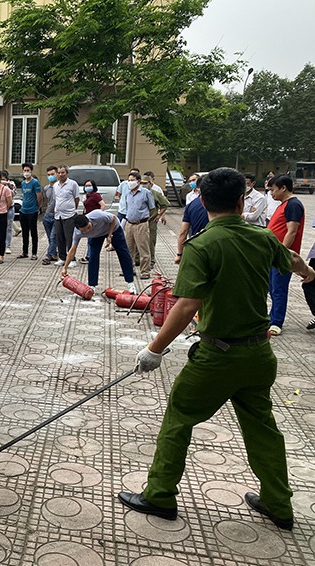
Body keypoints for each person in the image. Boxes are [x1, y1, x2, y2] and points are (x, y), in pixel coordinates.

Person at [121, 167, 315, 532]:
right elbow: (291, 259)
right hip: (259, 355)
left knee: (179, 418)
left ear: (203, 201)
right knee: (263, 429)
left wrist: (154, 349)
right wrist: (309, 272)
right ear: (242, 201)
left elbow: (186, 305)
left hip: (217, 357)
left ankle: (160, 495)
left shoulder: (202, 245)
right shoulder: (261, 237)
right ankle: (278, 503)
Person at [60, 211, 137, 294]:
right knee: (93, 256)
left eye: (88, 227)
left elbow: (113, 218)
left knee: (123, 253)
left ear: (89, 221)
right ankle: (92, 285)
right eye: (84, 231)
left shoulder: (97, 216)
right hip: (96, 236)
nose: (87, 231)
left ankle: (130, 283)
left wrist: (109, 235)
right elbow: (72, 250)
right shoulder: (77, 233)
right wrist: (65, 267)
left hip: (114, 229)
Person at [267, 174, 305, 336]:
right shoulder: (282, 205)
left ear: (283, 188)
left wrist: (281, 252)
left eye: (273, 189)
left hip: (282, 256)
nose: (271, 193)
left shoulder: (293, 205)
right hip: (272, 254)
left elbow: (292, 231)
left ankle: (276, 322)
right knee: (271, 287)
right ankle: (271, 317)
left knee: (278, 289)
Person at [121, 172, 155, 280]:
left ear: (139, 181)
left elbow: (152, 208)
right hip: (129, 223)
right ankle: (129, 269)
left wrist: (147, 220)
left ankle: (145, 271)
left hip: (141, 224)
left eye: (132, 180)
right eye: (129, 180)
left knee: (143, 248)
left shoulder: (146, 193)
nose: (130, 182)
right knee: (128, 248)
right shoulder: (128, 194)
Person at [54, 165, 80, 267]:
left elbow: (76, 198)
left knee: (70, 238)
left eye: (63, 172)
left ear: (67, 173)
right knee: (59, 237)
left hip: (69, 215)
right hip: (58, 215)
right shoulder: (56, 185)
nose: (61, 175)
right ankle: (62, 257)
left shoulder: (72, 184)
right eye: (59, 173)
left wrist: (73, 209)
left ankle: (72, 259)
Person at [144, 171, 169, 269]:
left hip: (151, 220)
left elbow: (165, 204)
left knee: (151, 240)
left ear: (150, 183)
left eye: (145, 183)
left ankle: (151, 260)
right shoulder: (138, 193)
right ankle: (137, 259)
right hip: (139, 221)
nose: (143, 185)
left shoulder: (155, 193)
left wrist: (159, 215)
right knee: (138, 241)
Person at [17, 163, 42, 260]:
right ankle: (25, 252)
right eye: (24, 171)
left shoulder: (35, 182)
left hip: (32, 211)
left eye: (28, 171)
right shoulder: (23, 183)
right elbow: (24, 195)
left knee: (33, 232)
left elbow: (39, 196)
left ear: (31, 171)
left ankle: (34, 253)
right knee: (25, 232)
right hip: (23, 210)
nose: (26, 173)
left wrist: (37, 207)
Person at [78, 179, 106, 264]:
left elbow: (103, 205)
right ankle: (89, 255)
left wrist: (99, 215)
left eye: (89, 185)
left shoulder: (95, 195)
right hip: (87, 218)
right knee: (89, 239)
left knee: (91, 239)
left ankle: (90, 256)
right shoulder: (87, 195)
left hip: (94, 220)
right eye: (86, 186)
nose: (88, 187)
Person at [175, 196, 209, 264]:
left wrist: (179, 254)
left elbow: (183, 232)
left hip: (196, 248)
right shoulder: (219, 203)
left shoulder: (191, 205)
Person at [42, 166, 59, 265]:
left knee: (53, 237)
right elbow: (46, 201)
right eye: (48, 175)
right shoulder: (46, 188)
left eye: (52, 174)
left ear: (57, 174)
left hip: (57, 216)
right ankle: (54, 254)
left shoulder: (60, 187)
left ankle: (48, 256)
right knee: (50, 237)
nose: (50, 176)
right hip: (47, 216)